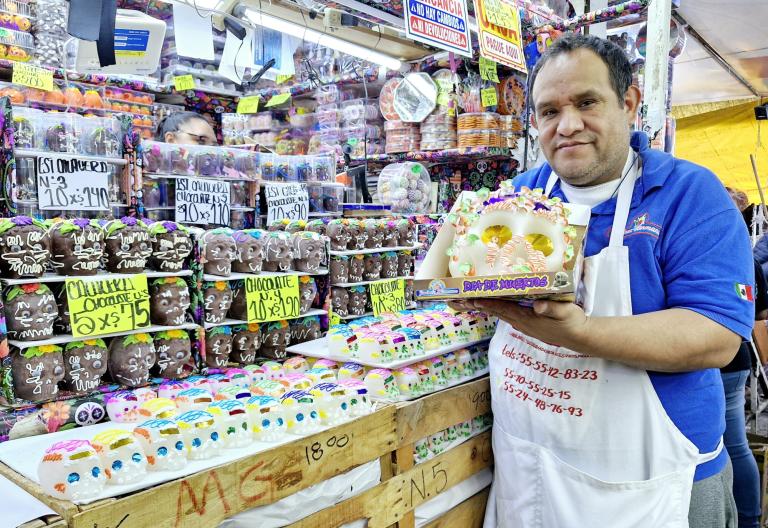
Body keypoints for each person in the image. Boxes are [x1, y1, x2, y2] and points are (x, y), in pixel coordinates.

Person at [453, 34, 754, 527]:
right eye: (549, 111)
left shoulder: (688, 195)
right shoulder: (521, 194)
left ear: (629, 103)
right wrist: (464, 292)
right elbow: (471, 278)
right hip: (531, 471)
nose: (568, 125)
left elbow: (715, 337)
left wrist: (578, 332)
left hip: (653, 484)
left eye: (587, 102)